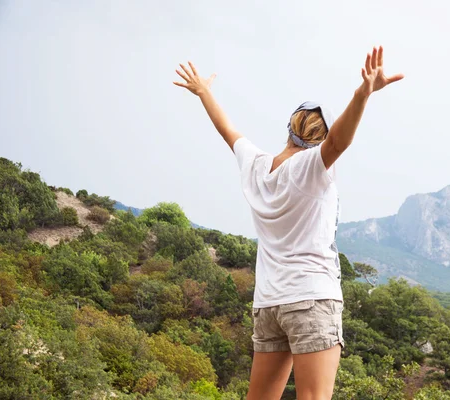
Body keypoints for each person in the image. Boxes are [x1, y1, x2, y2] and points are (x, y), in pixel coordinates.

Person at [173, 46, 403, 400]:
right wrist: (363, 93)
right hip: (311, 297)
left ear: (289, 127)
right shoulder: (311, 166)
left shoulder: (257, 166)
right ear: (319, 140)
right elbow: (340, 141)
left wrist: (204, 91)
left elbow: (228, 131)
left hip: (269, 303)